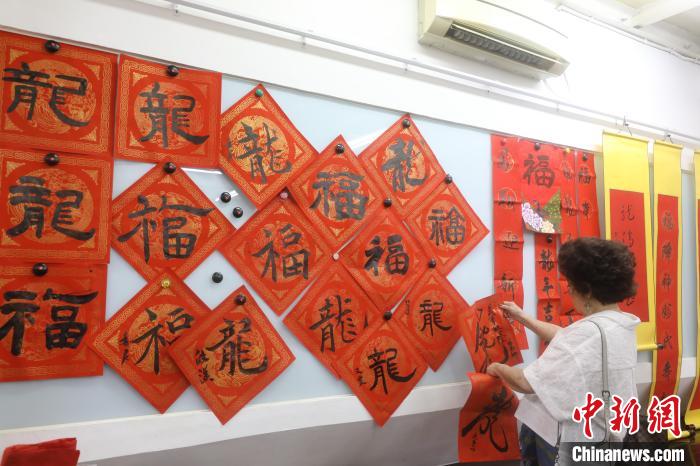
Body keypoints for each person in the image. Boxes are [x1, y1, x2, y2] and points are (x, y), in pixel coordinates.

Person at [486, 237, 640, 465]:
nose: (568, 291)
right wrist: (523, 318)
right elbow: (566, 337)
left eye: (570, 285)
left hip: (566, 441)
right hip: (604, 436)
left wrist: (496, 368)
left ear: (587, 291)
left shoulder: (586, 333)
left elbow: (524, 382)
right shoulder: (620, 324)